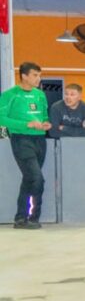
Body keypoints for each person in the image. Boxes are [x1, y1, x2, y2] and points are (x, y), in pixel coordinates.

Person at [0, 62, 51, 229]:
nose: (38, 78)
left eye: (39, 75)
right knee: (37, 178)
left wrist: (45, 124)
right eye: (35, 75)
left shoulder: (40, 95)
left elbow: (44, 115)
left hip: (40, 140)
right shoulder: (10, 95)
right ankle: (33, 217)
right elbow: (2, 119)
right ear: (24, 76)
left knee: (29, 178)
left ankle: (20, 218)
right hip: (21, 139)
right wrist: (26, 125)